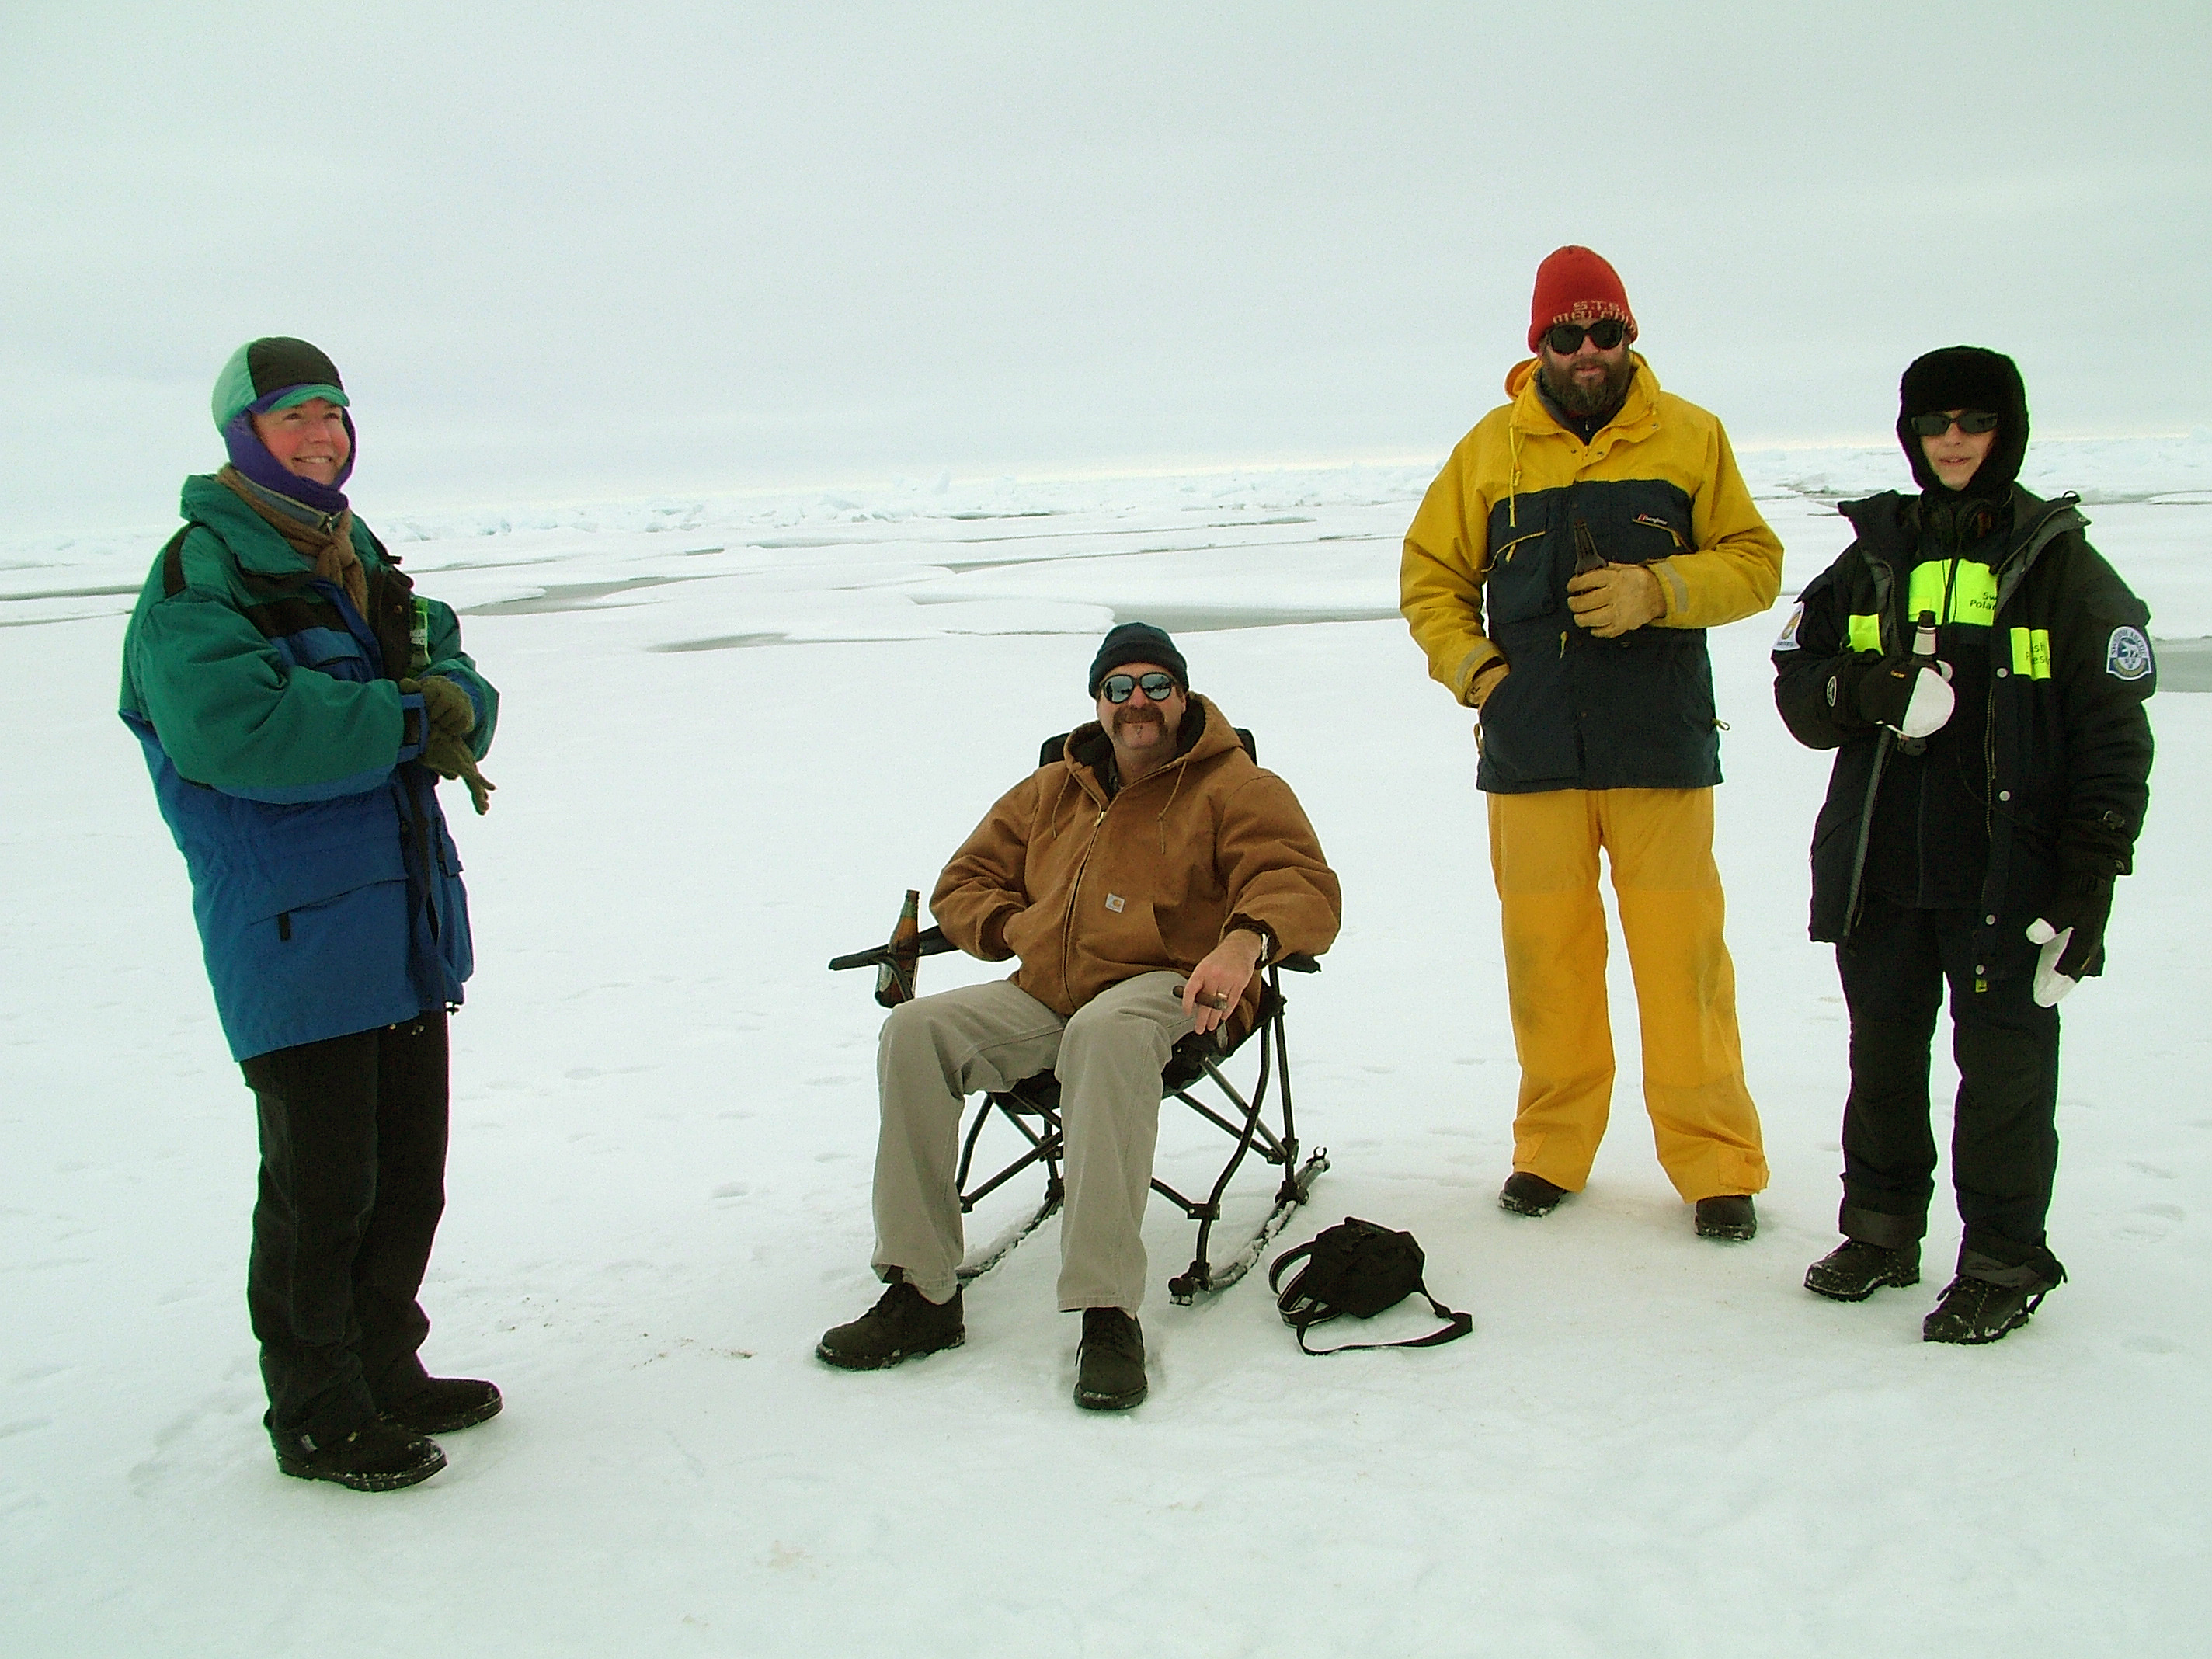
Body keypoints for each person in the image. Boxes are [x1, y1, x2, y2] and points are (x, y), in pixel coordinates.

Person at [119, 337, 502, 1490]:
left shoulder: (357, 554)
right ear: (244, 433)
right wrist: (409, 718)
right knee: (320, 1191)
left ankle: (384, 1366)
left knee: (406, 1177)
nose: (322, 434)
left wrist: (448, 707)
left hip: (400, 919)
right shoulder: (201, 578)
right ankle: (317, 1410)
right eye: (294, 415)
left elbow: (457, 676)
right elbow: (241, 733)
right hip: (293, 931)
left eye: (334, 413)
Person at [816, 623, 1341, 1408]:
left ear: (1182, 696)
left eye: (1156, 685)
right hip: (1049, 992)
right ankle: (921, 1293)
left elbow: (1299, 882)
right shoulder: (1052, 788)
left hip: (1179, 989)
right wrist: (1013, 928)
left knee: (1104, 1033)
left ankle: (1106, 1309)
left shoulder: (1237, 785)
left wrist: (1244, 942)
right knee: (915, 1033)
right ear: (1098, 701)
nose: (1138, 702)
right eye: (1119, 688)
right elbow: (965, 881)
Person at [1772, 346, 2155, 1343]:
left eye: (1974, 422)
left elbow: (2114, 736)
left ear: (2006, 432)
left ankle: (2001, 1261)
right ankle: (1881, 1232)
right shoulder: (1873, 556)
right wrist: (1865, 688)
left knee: (2005, 1076)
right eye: (1934, 423)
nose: (1953, 441)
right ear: (1910, 435)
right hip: (1882, 870)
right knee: (1882, 1058)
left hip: (2006, 878)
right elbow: (1797, 684)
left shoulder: (2058, 564)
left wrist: (2090, 879)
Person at [1400, 245, 1782, 1240]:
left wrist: (1659, 589)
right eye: (1565, 335)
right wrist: (1478, 673)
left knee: (1683, 966)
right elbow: (1430, 579)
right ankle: (1552, 1150)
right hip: (1531, 761)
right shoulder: (1488, 452)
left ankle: (1715, 1163)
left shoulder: (1690, 437)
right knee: (1547, 966)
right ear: (1538, 344)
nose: (1586, 351)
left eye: (1603, 332)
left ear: (1628, 336)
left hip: (1659, 751)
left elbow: (1755, 562)